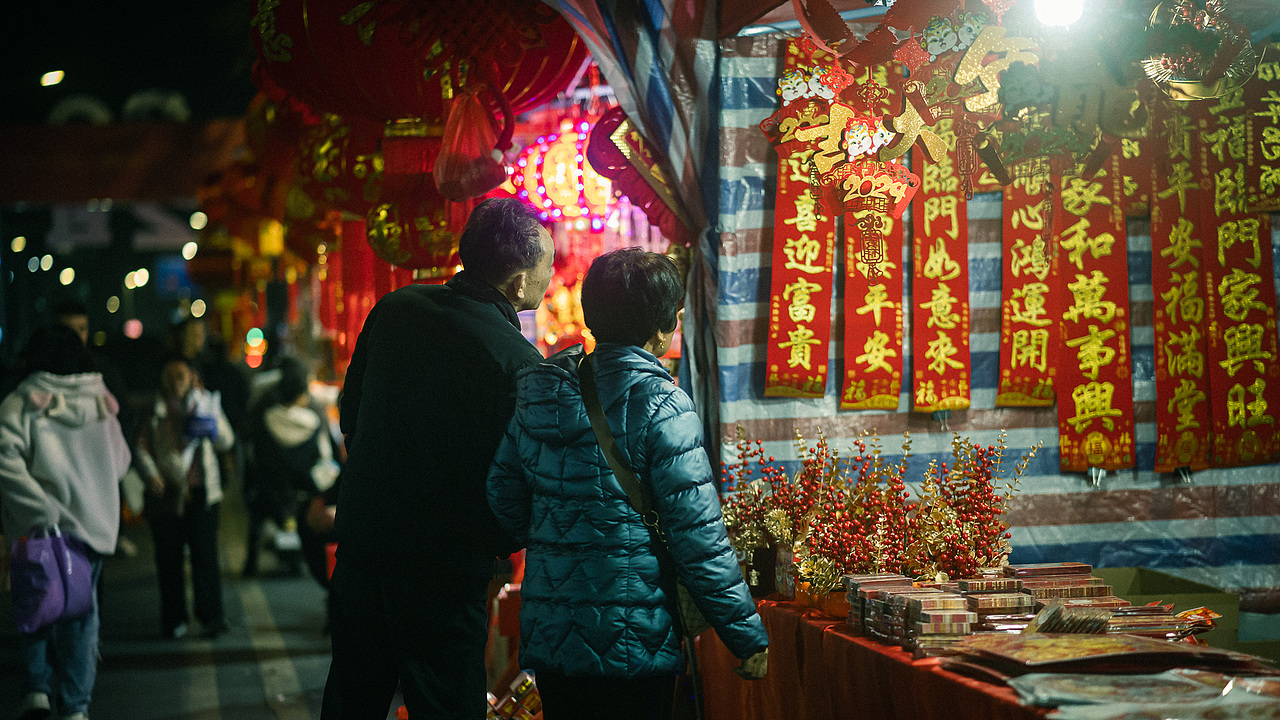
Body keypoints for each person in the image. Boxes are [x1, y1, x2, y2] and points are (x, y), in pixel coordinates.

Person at [487, 248, 769, 719]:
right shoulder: (663, 403)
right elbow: (698, 539)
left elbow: (503, 494)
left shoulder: (542, 390)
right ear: (662, 328)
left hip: (556, 637)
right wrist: (745, 637)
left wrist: (557, 538)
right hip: (634, 639)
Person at [321, 197, 555, 719]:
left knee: (352, 695)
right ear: (519, 281)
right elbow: (517, 478)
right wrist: (496, 545)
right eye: (548, 266)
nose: (551, 278)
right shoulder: (516, 361)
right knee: (446, 704)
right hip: (444, 568)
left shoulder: (397, 307)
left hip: (364, 544)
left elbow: (351, 415)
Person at [0, 325, 132, 720]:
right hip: (90, 532)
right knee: (81, 617)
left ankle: (38, 690)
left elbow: (4, 457)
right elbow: (121, 461)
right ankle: (76, 706)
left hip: (38, 531)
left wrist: (40, 508)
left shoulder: (21, 402)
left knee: (35, 608)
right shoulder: (101, 402)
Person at [135, 353, 234, 640]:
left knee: (206, 557)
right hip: (166, 495)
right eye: (171, 375)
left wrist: (210, 415)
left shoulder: (205, 403)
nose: (176, 382)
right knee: (169, 560)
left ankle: (211, 616)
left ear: (192, 376)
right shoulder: (154, 409)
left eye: (182, 375)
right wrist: (151, 475)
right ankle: (173, 618)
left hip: (203, 493)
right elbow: (140, 448)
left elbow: (226, 441)